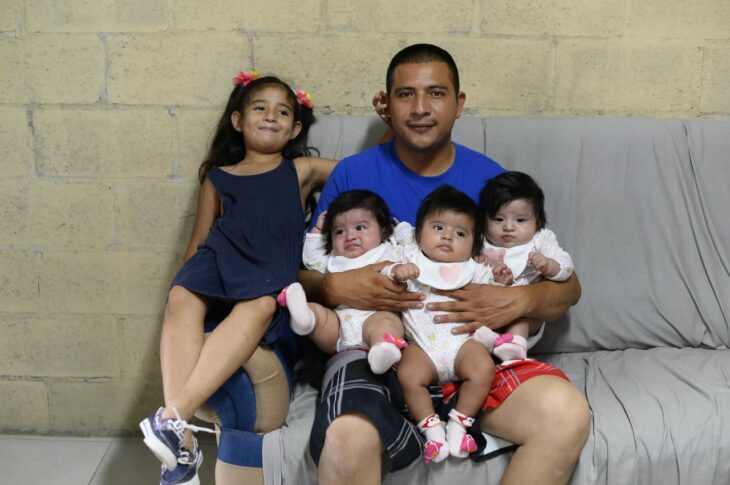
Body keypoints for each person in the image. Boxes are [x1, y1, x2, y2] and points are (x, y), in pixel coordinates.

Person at [300, 43, 590, 485]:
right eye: (405, 95)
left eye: (436, 93)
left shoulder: (490, 180)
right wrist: (333, 288)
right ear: (386, 104)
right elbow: (302, 274)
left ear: (459, 104)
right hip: (377, 351)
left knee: (566, 412)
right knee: (347, 436)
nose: (420, 108)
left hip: (469, 352)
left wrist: (512, 302)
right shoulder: (353, 174)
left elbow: (569, 288)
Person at [138, 71, 337, 485]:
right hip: (218, 264)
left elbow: (359, 171)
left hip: (268, 278)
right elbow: (198, 243)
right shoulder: (217, 177)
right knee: (181, 296)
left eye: (283, 112)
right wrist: (184, 290)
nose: (270, 117)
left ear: (296, 127)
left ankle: (172, 419)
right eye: (259, 108)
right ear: (238, 121)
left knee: (263, 305)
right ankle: (184, 439)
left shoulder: (298, 169)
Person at [385, 185, 497, 463]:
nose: (448, 236)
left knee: (483, 368)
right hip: (422, 347)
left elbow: (496, 296)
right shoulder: (409, 258)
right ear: (419, 233)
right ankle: (432, 430)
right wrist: (396, 272)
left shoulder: (475, 269)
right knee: (408, 376)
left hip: (462, 345)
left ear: (473, 245)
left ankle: (460, 422)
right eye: (438, 228)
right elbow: (382, 270)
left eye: (460, 234)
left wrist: (502, 277)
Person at [280, 189, 409, 374]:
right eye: (339, 231)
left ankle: (382, 350)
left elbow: (413, 252)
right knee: (319, 314)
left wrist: (404, 233)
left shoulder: (388, 252)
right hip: (338, 327)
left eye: (360, 228)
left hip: (376, 316)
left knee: (387, 322)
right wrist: (317, 232)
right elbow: (311, 260)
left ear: (383, 231)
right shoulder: (334, 259)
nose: (350, 236)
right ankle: (305, 319)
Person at [471, 171, 575, 362]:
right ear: (484, 220)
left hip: (524, 313)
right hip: (485, 311)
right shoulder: (480, 242)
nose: (508, 227)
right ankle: (487, 344)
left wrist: (548, 265)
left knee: (520, 316)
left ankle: (515, 346)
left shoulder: (540, 241)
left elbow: (567, 268)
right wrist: (475, 260)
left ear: (538, 221)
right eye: (498, 219)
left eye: (520, 220)